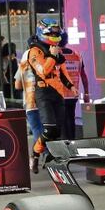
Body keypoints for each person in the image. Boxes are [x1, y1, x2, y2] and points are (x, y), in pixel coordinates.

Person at [25, 19, 75, 171]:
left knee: (58, 131)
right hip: (43, 92)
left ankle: (51, 157)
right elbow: (43, 71)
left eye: (56, 32)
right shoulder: (35, 51)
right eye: (51, 32)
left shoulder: (55, 49)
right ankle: (34, 154)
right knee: (49, 130)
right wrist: (52, 57)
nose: (54, 35)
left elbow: (63, 70)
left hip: (58, 93)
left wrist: (71, 85)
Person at [14, 50, 43, 169]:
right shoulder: (44, 62)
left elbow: (17, 86)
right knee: (48, 129)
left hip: (30, 101)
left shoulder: (23, 65)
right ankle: (46, 154)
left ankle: (40, 155)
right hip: (45, 100)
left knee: (37, 129)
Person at [59, 46, 89, 140]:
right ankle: (72, 142)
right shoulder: (77, 54)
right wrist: (86, 93)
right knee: (71, 118)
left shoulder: (56, 55)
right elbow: (83, 75)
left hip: (60, 94)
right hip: (73, 94)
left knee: (63, 121)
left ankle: (66, 145)